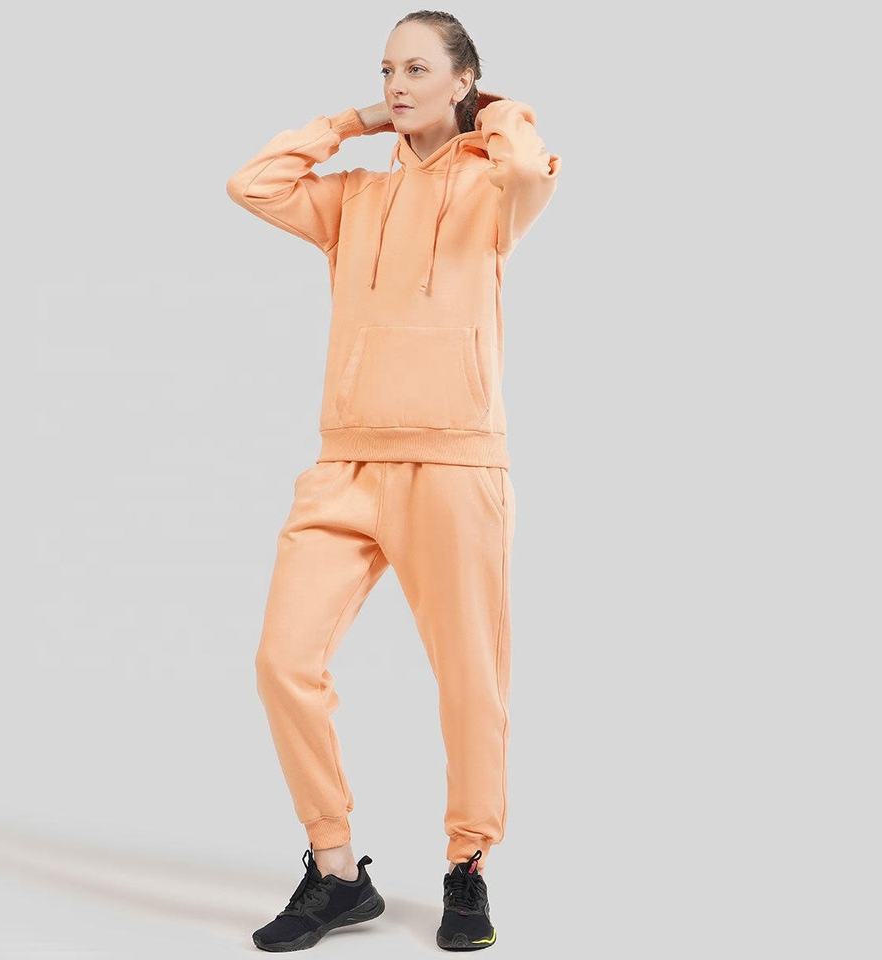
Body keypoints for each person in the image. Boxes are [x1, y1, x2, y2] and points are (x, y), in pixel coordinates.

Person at [227, 11, 559, 952]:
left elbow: (532, 171)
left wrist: (496, 114)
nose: (397, 84)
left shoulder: (492, 186)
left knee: (469, 677)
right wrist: (352, 121)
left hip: (455, 462)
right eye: (386, 70)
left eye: (416, 69)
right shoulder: (355, 199)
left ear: (464, 79)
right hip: (344, 463)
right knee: (283, 663)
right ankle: (337, 872)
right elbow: (252, 183)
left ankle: (468, 866)